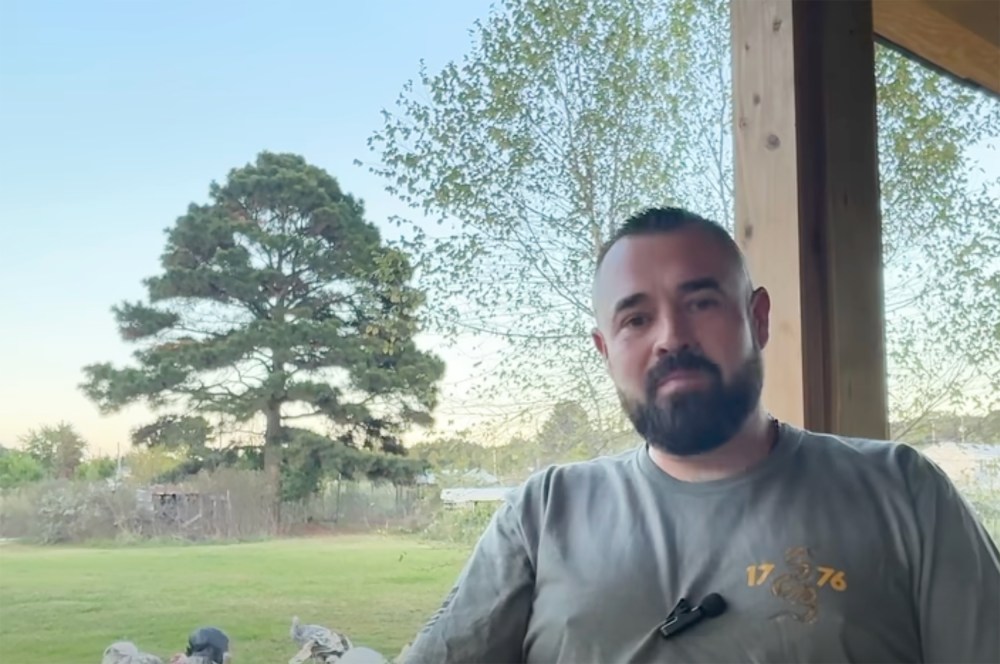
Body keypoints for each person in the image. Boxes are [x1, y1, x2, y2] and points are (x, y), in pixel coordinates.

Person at [402, 207, 1000, 664]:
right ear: (606, 351)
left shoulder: (903, 493)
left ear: (758, 319)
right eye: (636, 319)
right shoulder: (542, 512)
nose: (670, 336)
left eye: (702, 302)